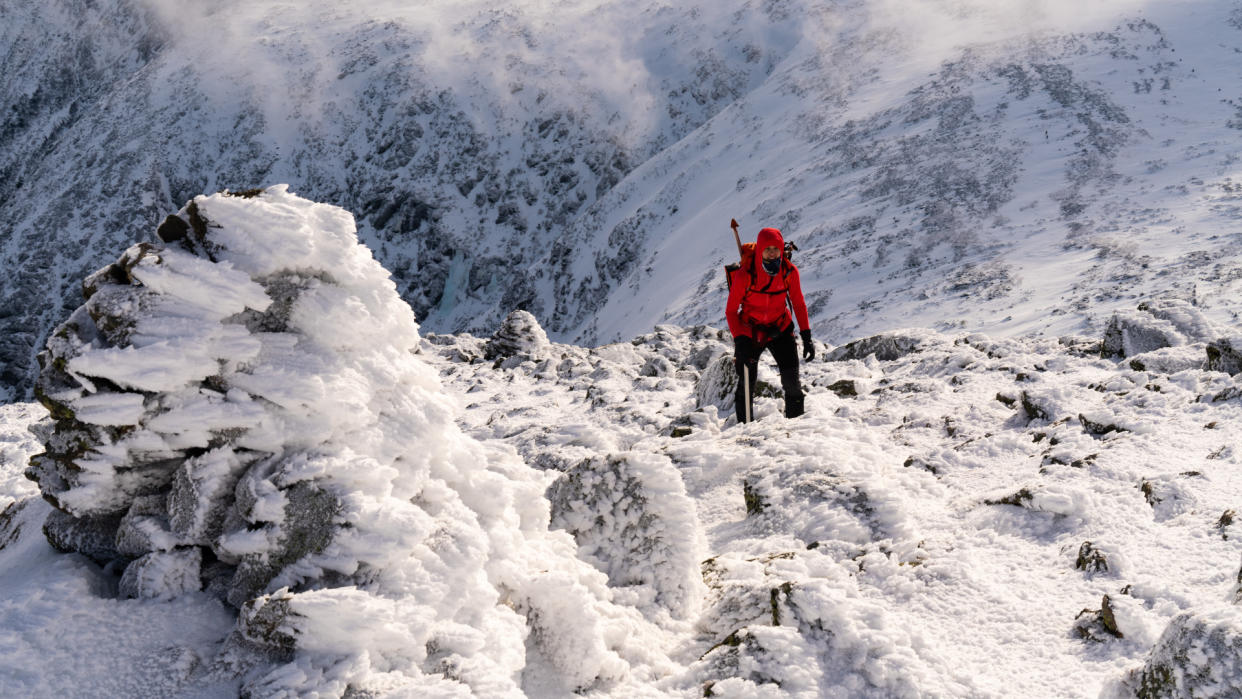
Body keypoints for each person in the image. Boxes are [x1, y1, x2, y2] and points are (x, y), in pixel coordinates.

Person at [725, 226, 812, 422]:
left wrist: (806, 335)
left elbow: (798, 303)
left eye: (776, 249)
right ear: (760, 250)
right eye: (767, 249)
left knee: (792, 382)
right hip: (750, 330)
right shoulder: (745, 275)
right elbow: (731, 311)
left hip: (780, 327)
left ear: (782, 249)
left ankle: (796, 426)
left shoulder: (789, 272)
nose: (772, 253)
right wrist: (740, 340)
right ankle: (744, 429)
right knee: (746, 381)